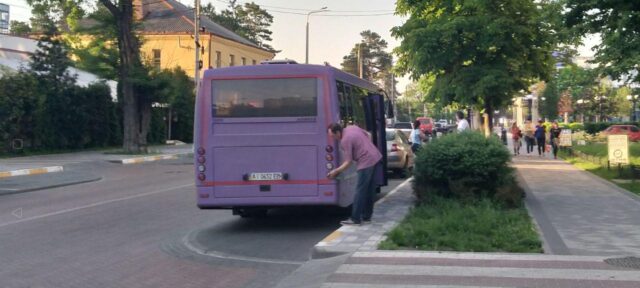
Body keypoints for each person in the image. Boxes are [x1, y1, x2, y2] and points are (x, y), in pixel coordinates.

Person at [327, 123, 382, 226]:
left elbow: (348, 162)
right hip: (375, 156)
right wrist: (366, 148)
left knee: (360, 190)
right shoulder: (352, 127)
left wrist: (336, 171)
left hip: (365, 162)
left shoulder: (345, 140)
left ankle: (355, 219)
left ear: (338, 132)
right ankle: (366, 217)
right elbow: (368, 135)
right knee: (369, 189)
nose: (334, 138)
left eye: (333, 136)